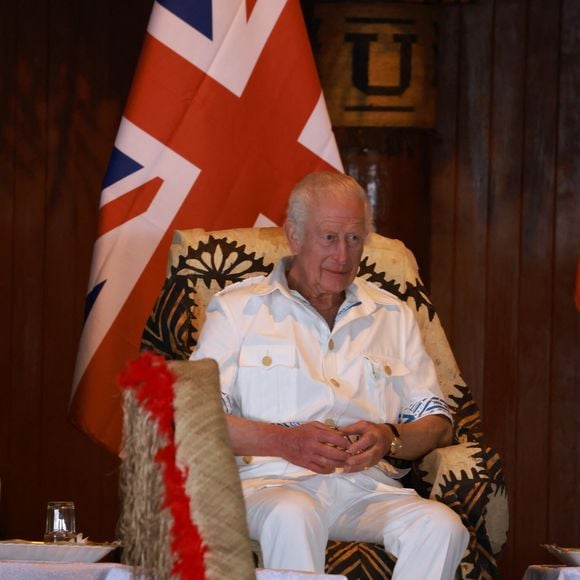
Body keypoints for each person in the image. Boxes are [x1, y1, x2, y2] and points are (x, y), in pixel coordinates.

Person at [190, 172, 469, 579]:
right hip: (267, 484)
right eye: (328, 238)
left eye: (354, 239)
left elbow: (437, 423)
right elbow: (198, 419)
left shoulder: (393, 315)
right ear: (294, 236)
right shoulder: (237, 310)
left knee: (441, 527)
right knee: (293, 513)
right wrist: (286, 442)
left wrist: (391, 436)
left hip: (365, 488)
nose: (343, 256)